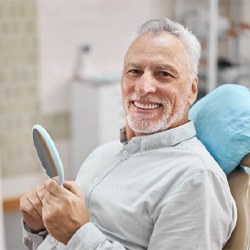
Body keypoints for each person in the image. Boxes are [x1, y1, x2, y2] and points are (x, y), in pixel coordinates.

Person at [20, 18, 237, 250]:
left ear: (192, 89)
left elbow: (75, 236)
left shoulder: (196, 180)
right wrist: (39, 228)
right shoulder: (101, 155)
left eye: (163, 74)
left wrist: (78, 233)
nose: (143, 87)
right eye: (134, 71)